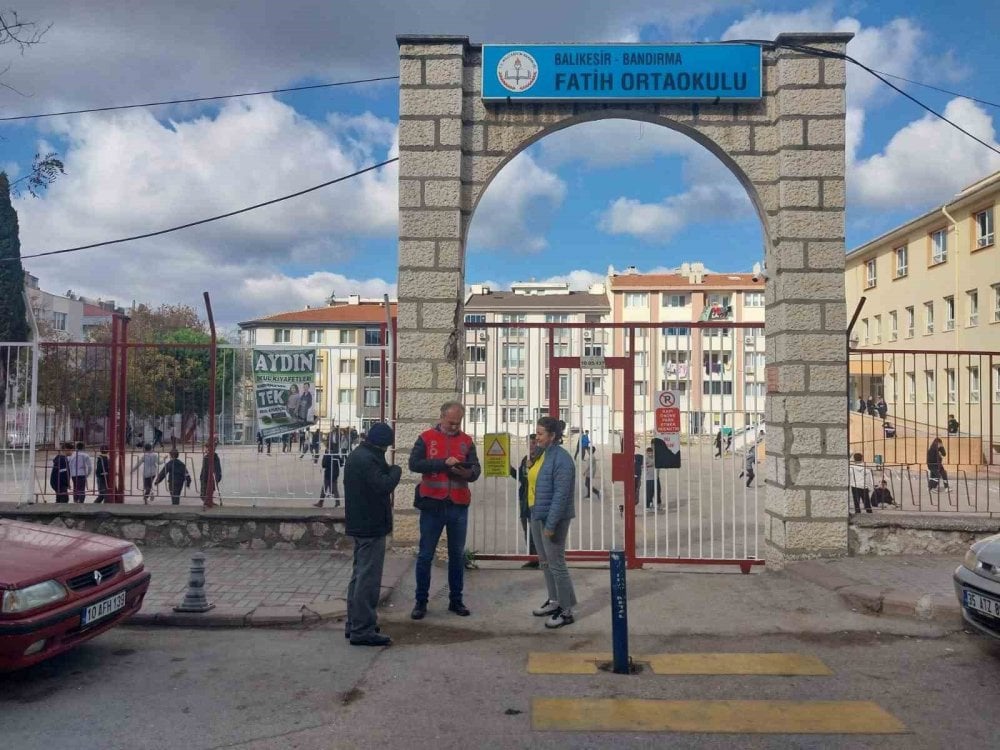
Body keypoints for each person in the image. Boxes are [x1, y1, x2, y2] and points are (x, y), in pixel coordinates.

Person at [409, 401, 481, 620]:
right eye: (451, 422)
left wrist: (466, 474)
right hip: (433, 505)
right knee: (425, 556)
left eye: (458, 423)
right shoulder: (425, 438)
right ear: (441, 417)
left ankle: (456, 600)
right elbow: (414, 464)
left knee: (457, 556)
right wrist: (443, 464)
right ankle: (421, 602)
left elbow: (476, 470)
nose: (454, 426)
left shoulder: (467, 441)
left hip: (458, 506)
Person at [343, 422, 401, 647]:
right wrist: (396, 470)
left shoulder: (361, 454)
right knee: (368, 579)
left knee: (359, 576)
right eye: (386, 447)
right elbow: (383, 485)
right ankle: (362, 629)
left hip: (361, 525)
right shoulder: (368, 459)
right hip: (370, 526)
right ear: (383, 445)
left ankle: (354, 623)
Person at [528, 416, 578, 629]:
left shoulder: (563, 459)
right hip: (537, 514)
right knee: (545, 562)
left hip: (552, 518)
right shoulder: (543, 455)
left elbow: (561, 495)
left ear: (553, 436)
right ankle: (554, 600)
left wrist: (551, 525)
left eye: (540, 434)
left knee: (557, 564)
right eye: (536, 433)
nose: (536, 437)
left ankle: (566, 611)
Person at [510, 434, 539, 568]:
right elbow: (522, 478)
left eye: (534, 443)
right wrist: (510, 470)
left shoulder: (541, 459)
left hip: (537, 499)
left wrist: (532, 467)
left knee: (536, 529)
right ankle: (533, 558)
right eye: (529, 443)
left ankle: (541, 558)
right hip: (524, 498)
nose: (531, 445)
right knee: (527, 529)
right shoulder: (525, 459)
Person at [200, 443, 222, 508]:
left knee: (206, 491)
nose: (205, 449)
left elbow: (217, 468)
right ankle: (208, 501)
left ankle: (208, 502)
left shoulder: (212, 457)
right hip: (205, 476)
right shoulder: (207, 457)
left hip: (207, 476)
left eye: (206, 448)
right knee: (205, 492)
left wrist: (218, 476)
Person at [644, 446, 662, 511]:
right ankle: (648, 506)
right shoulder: (645, 459)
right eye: (649, 453)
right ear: (646, 453)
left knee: (658, 491)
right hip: (649, 479)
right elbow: (642, 466)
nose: (650, 454)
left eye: (651, 453)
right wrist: (649, 465)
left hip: (656, 478)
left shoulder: (656, 458)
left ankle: (658, 504)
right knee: (649, 493)